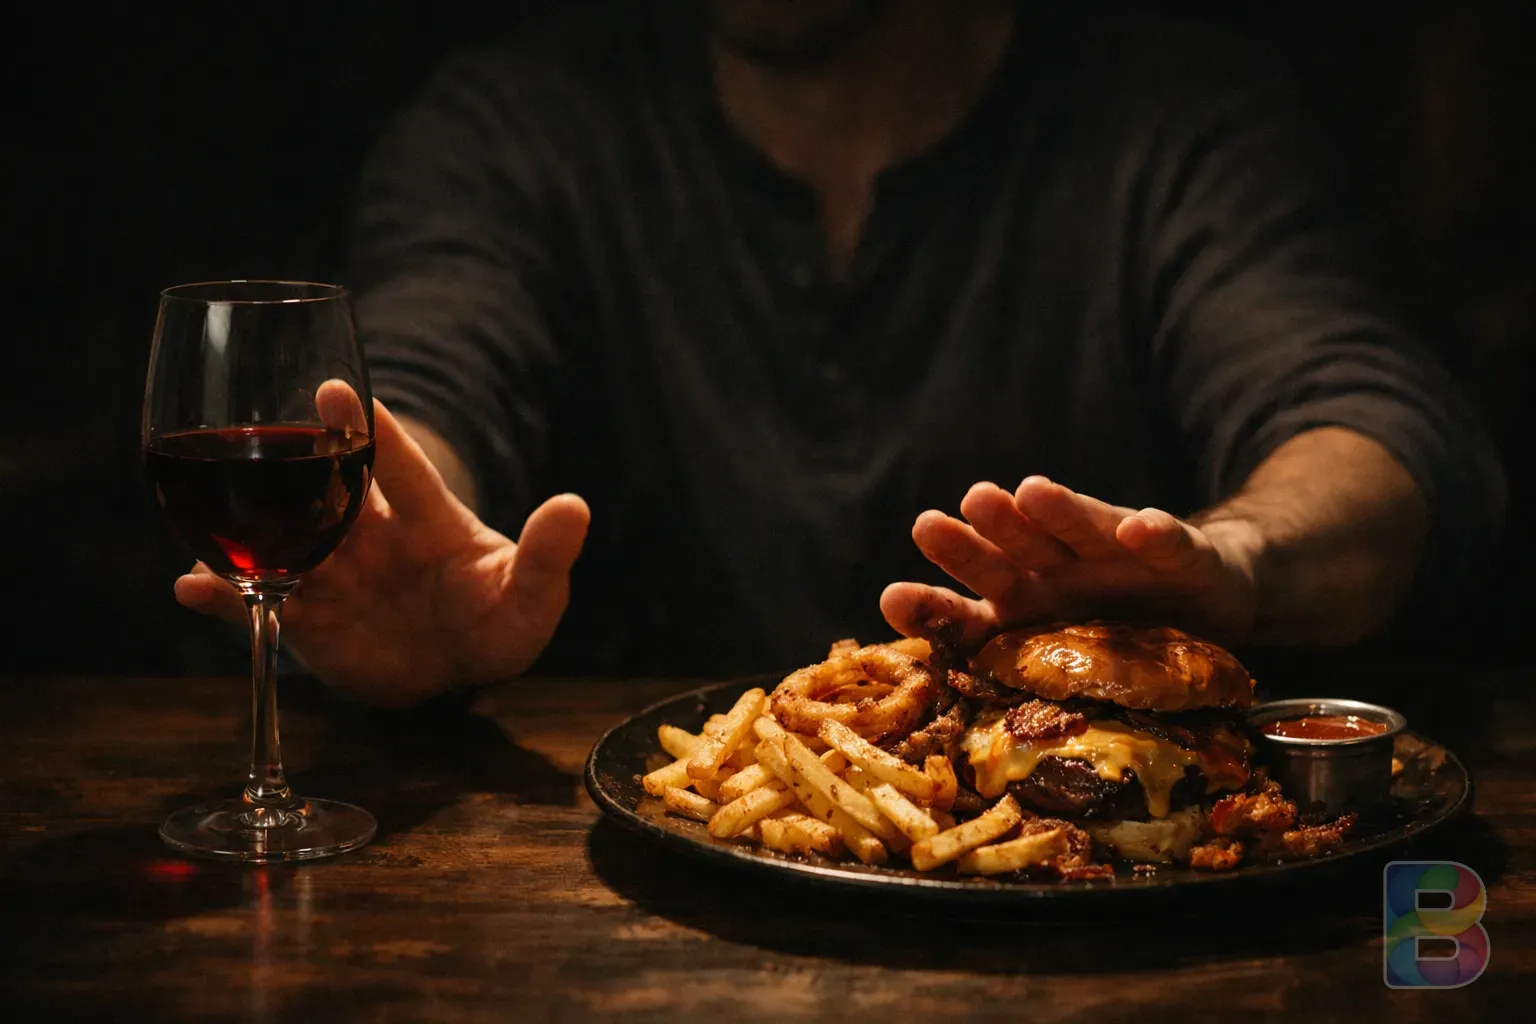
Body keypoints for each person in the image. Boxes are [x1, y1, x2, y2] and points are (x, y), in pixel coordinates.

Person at [174, 0, 1504, 706]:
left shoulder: (1177, 114)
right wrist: (404, 528)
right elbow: (437, 358)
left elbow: (1375, 428)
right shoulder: (509, 122)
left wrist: (1240, 559)